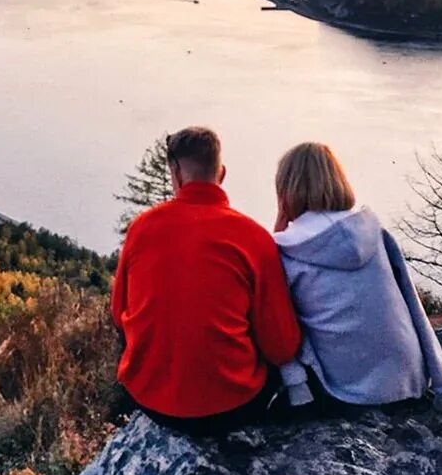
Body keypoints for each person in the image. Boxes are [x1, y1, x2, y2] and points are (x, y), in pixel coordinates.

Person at [111, 126, 302, 435]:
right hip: (233, 405)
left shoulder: (141, 228)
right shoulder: (253, 237)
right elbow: (282, 347)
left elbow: (118, 315)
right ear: (222, 173)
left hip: (149, 400)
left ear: (175, 172)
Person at [272, 142, 442, 416]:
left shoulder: (286, 249)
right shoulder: (376, 232)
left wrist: (275, 237)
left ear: (286, 190)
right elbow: (414, 308)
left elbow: (277, 327)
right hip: (408, 382)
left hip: (346, 392)